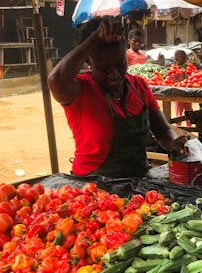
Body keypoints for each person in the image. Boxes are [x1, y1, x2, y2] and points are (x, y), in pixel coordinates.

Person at [47, 16, 188, 178]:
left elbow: (162, 130)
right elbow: (55, 79)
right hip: (91, 185)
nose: (114, 74)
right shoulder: (79, 90)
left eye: (120, 64)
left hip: (138, 179)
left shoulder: (138, 86)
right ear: (88, 62)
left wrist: (173, 142)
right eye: (104, 68)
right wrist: (94, 38)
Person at [174, 49, 192, 127]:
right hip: (178, 94)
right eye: (183, 57)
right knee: (179, 114)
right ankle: (178, 129)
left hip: (187, 93)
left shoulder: (188, 68)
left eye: (185, 57)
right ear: (176, 59)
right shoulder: (174, 69)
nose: (185, 58)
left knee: (189, 113)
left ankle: (190, 128)